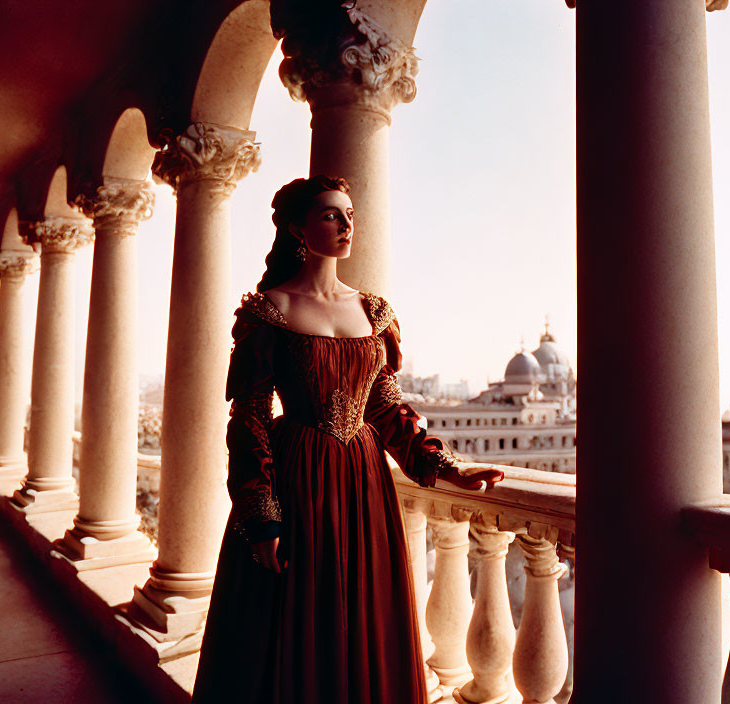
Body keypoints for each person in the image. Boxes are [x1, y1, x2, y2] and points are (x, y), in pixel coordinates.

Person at [191, 175, 504, 704]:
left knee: (363, 612)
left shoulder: (375, 312)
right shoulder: (271, 310)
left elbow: (385, 407)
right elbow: (247, 418)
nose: (345, 225)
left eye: (350, 214)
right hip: (296, 481)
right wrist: (261, 515)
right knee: (296, 614)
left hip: (363, 484)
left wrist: (451, 468)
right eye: (331, 215)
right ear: (298, 228)